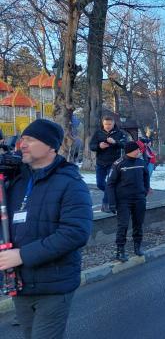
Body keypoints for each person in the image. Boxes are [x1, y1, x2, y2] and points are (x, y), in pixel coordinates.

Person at [0, 119, 92, 339]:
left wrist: (21, 255)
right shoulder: (16, 180)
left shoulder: (71, 183)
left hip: (54, 285)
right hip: (20, 283)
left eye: (30, 140)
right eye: (22, 139)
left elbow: (75, 233)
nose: (22, 144)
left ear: (51, 146)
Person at [107, 141, 151, 262]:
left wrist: (145, 190)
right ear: (132, 150)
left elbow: (146, 177)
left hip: (139, 199)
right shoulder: (118, 164)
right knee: (123, 225)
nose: (139, 151)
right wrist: (112, 202)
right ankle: (120, 251)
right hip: (123, 201)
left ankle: (137, 247)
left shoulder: (141, 163)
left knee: (138, 224)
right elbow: (110, 184)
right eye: (138, 149)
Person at [89, 116, 127, 212]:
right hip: (100, 162)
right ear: (103, 124)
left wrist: (115, 142)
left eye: (109, 124)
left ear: (113, 123)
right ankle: (113, 195)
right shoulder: (98, 133)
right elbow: (91, 146)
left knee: (109, 184)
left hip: (113, 163)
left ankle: (106, 205)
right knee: (100, 184)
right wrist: (99, 146)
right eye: (106, 124)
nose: (107, 126)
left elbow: (125, 145)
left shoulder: (120, 133)